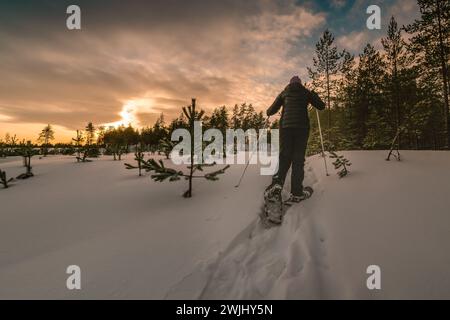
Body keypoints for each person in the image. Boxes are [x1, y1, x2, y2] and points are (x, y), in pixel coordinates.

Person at [266, 76, 325, 202]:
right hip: (301, 129)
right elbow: (321, 106)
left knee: (284, 157)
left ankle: (277, 184)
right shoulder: (306, 93)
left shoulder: (284, 93)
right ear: (300, 84)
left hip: (286, 129)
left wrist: (271, 110)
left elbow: (270, 111)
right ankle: (297, 192)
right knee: (298, 159)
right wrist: (314, 96)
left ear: (290, 84)